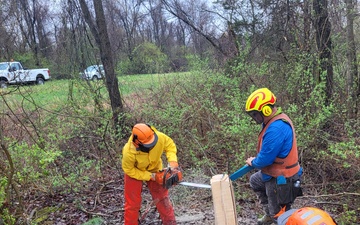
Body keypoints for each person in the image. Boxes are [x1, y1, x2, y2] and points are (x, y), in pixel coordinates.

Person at [244, 88, 303, 225]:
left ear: (266, 110)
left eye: (255, 114)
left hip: (282, 178)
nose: (254, 118)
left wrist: (254, 162)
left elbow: (265, 160)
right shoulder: (273, 121)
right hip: (273, 172)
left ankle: (275, 217)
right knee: (255, 180)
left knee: (280, 216)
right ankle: (269, 213)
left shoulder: (275, 128)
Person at [122, 123, 182, 225]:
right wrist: (151, 176)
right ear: (137, 142)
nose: (151, 146)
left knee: (162, 198)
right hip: (135, 172)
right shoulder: (129, 151)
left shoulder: (159, 137)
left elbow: (170, 145)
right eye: (148, 145)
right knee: (132, 204)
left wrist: (173, 163)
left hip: (154, 168)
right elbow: (129, 169)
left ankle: (170, 223)